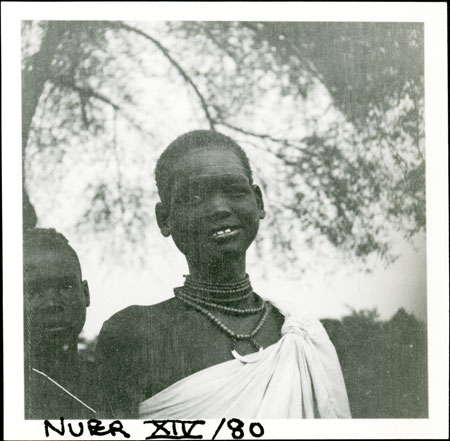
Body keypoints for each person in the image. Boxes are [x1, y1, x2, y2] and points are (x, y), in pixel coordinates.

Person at [96, 130, 351, 419]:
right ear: (164, 218)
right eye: (193, 197)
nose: (218, 208)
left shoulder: (303, 335)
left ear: (258, 201)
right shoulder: (135, 334)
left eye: (233, 190)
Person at [24, 228, 97, 419]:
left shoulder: (112, 383)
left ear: (86, 293)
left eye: (66, 286)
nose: (52, 304)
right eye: (33, 291)